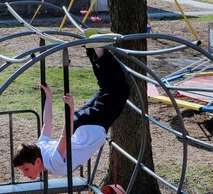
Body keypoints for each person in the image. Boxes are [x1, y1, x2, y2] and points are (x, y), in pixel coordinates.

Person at [13, 43, 130, 180]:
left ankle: (97, 49)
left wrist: (70, 108)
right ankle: (92, 49)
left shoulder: (53, 163)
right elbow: (47, 125)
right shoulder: (39, 148)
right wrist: (49, 99)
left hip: (90, 129)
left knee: (121, 91)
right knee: (105, 89)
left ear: (37, 161)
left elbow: (65, 137)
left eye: (26, 169)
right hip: (79, 125)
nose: (25, 174)